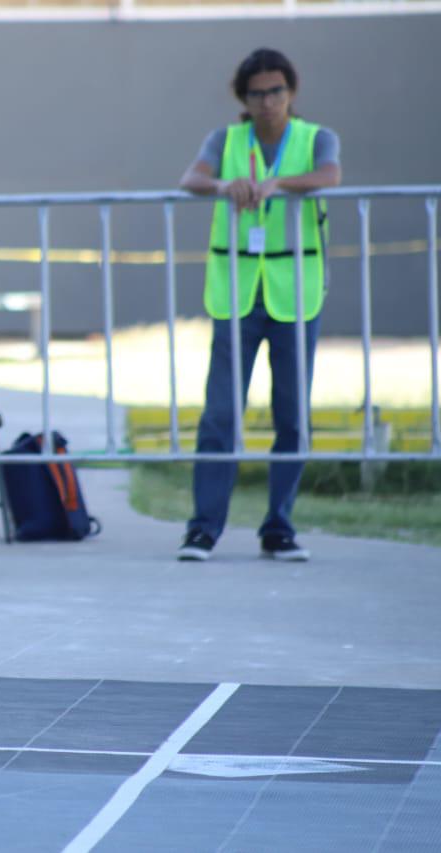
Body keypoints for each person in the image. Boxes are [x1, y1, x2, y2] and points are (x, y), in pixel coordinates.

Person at [177, 48, 341, 563]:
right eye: (257, 93)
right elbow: (193, 179)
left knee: (292, 415)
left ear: (291, 92)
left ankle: (279, 527)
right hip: (237, 293)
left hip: (296, 293)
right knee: (221, 414)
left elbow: (330, 175)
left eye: (276, 91)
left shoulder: (316, 137)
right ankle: (204, 529)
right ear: (243, 99)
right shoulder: (226, 140)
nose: (267, 102)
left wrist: (279, 184)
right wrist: (226, 185)